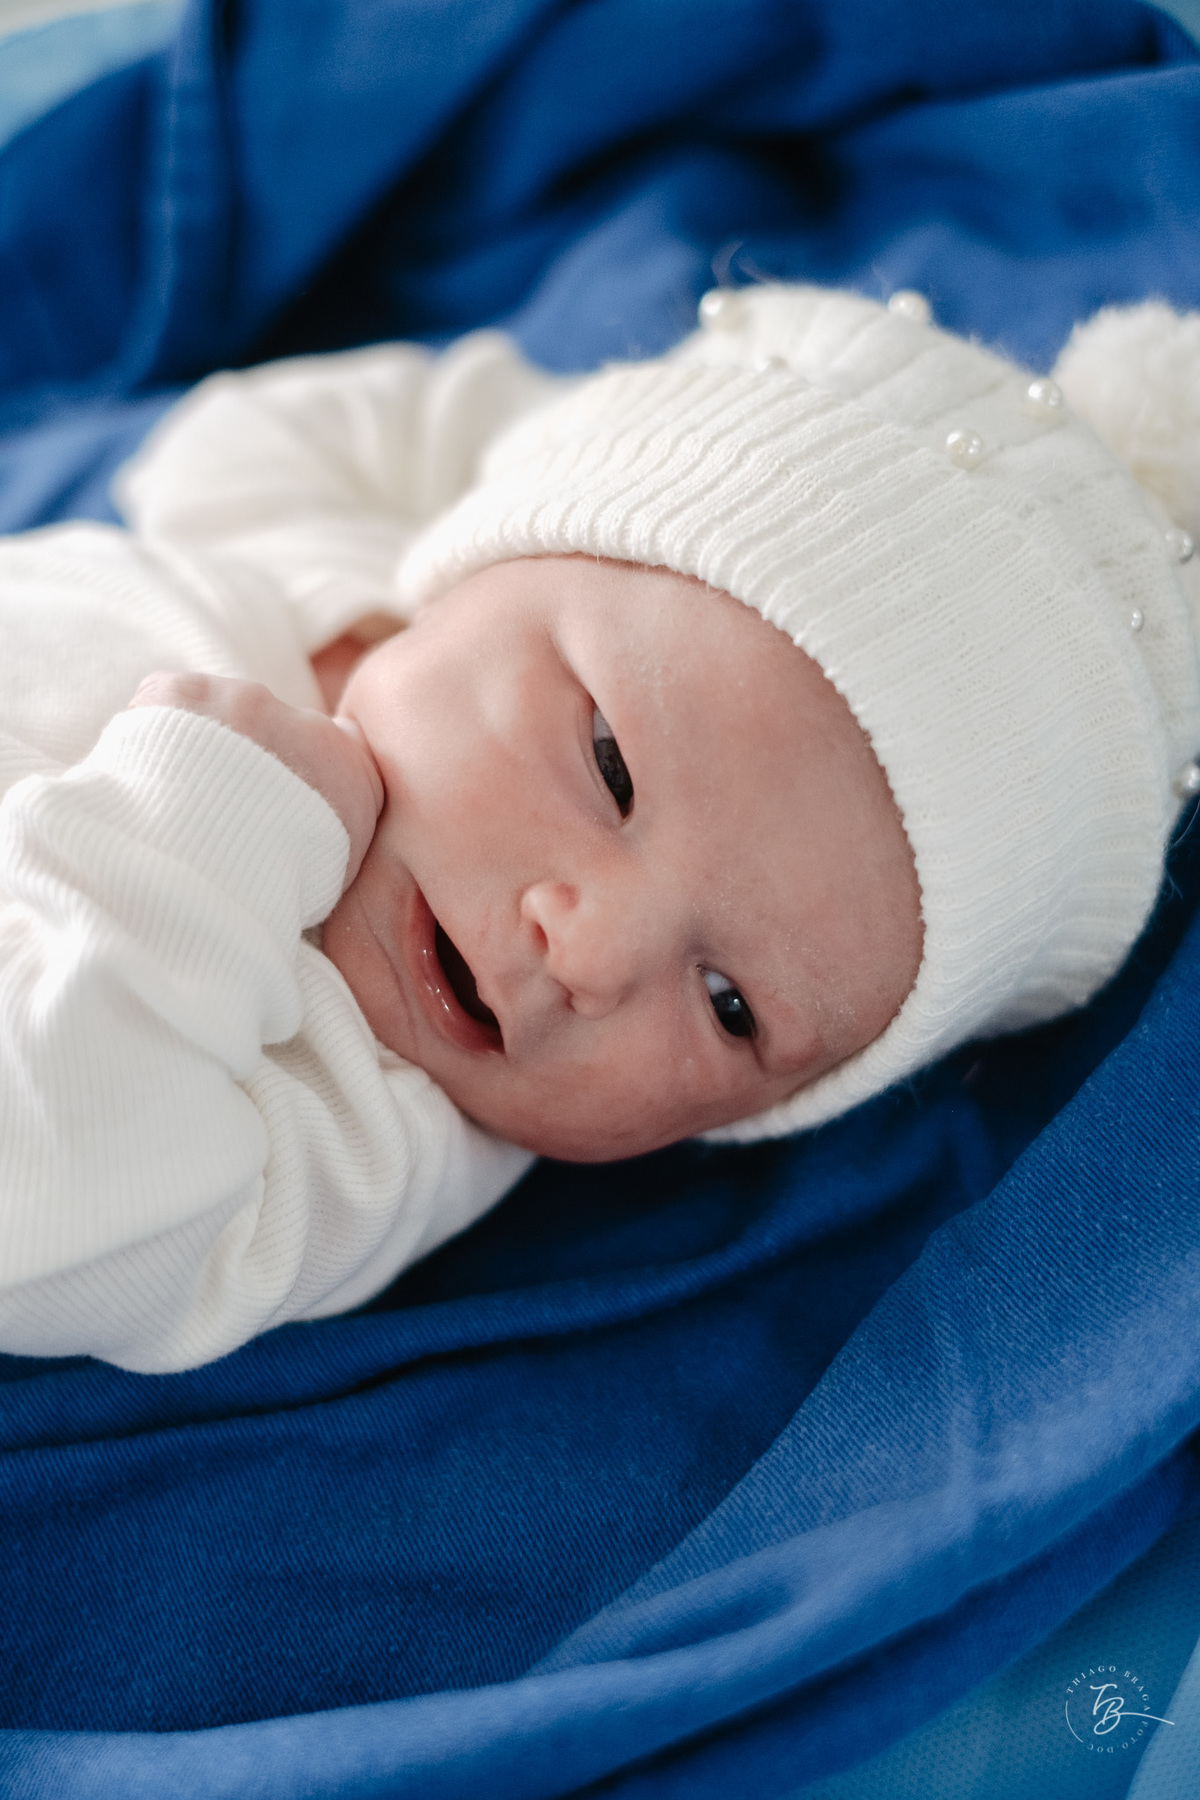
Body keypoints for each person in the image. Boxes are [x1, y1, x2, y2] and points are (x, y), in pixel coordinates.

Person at [0, 284, 1197, 1372]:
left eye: (732, 1005)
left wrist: (186, 859)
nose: (594, 953)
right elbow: (237, 440)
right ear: (487, 552)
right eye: (612, 766)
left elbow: (42, 1197)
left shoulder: (358, 1121)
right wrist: (413, 570)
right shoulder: (322, 574)